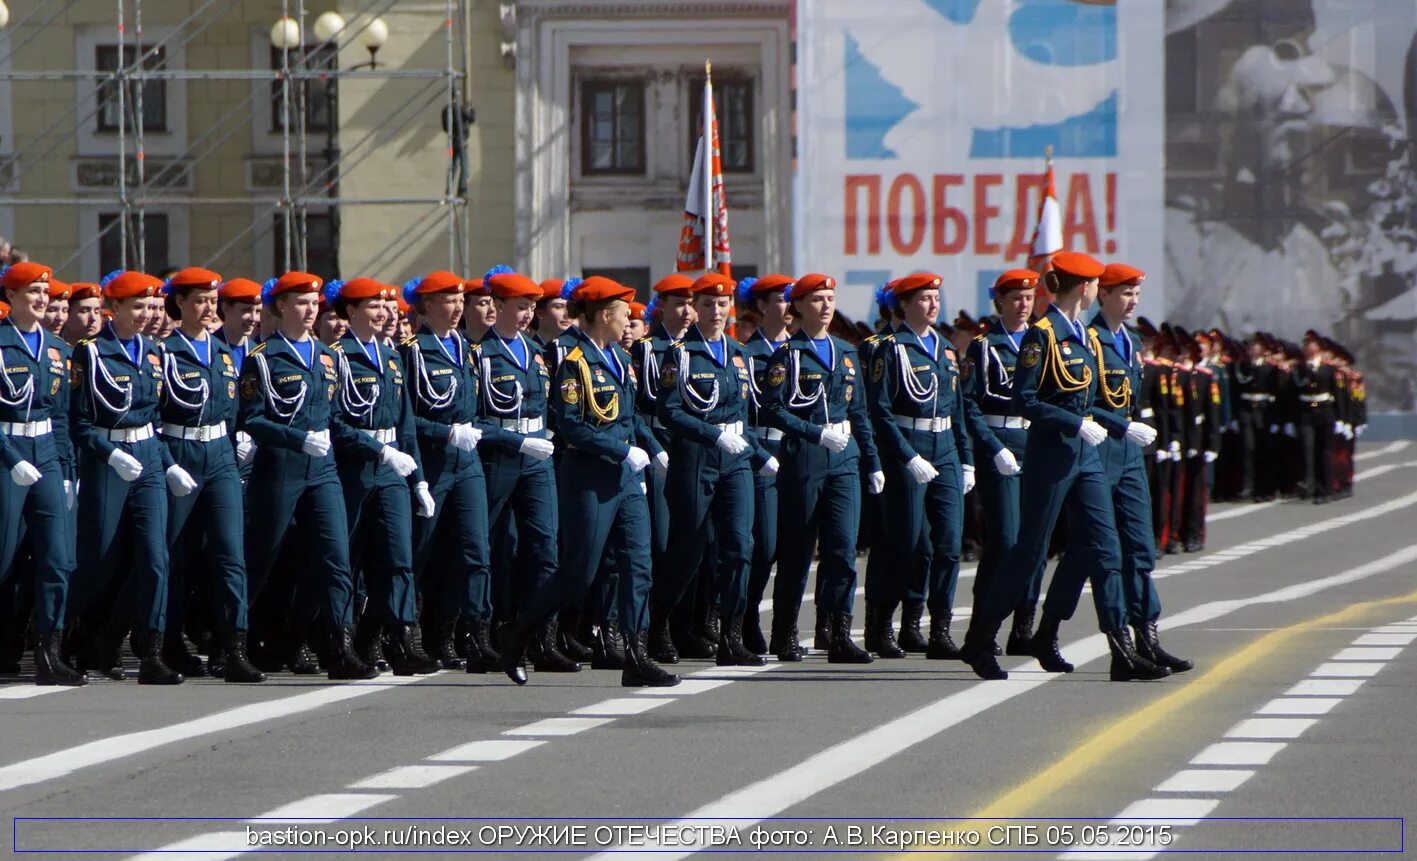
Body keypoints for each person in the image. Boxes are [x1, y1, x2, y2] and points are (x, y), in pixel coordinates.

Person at [961, 251, 1168, 683]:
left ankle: (1120, 651)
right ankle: (981, 638)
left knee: (1106, 549)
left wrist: (1119, 425)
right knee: (1029, 553)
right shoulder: (1044, 334)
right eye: (1095, 284)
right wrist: (1074, 422)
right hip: (1051, 455)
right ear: (1086, 287)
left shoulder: (1083, 336)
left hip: (1086, 454)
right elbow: (1026, 400)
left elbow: (1091, 401)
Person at [498, 275, 678, 688]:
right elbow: (572, 427)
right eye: (622, 313)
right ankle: (520, 633)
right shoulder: (575, 362)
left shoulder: (620, 359)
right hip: (590, 475)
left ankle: (636, 654)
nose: (628, 320)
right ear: (602, 316)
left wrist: (651, 448)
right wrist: (620, 451)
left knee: (639, 565)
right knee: (579, 571)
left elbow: (629, 417)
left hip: (626, 477)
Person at [1044, 263, 1192, 675]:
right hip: (1096, 451)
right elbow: (1079, 400)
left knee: (1139, 547)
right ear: (1103, 294)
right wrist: (1121, 425)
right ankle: (1112, 645)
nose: (1133, 301)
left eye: (1136, 294)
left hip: (1127, 456)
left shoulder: (1131, 340)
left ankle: (1148, 636)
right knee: (1097, 553)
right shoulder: (1086, 339)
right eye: (1125, 293)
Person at [238, 271, 376, 681]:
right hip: (281, 468)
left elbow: (333, 416)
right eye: (301, 302)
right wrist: (297, 439)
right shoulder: (262, 357)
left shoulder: (328, 356)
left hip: (323, 469)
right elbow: (252, 419)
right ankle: (237, 641)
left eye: (314, 302)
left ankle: (340, 647)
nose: (310, 309)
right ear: (281, 307)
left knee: (337, 557)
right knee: (262, 557)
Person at [67, 270, 183, 684]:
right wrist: (110, 454)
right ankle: (79, 638)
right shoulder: (90, 354)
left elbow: (155, 417)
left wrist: (168, 463)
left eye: (148, 306)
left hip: (148, 457)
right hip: (108, 457)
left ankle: (151, 652)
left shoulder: (155, 353)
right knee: (100, 557)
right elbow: (78, 422)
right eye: (135, 306)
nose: (144, 314)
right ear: (112, 309)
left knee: (155, 557)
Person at [759, 273, 882, 664]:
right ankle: (785, 632)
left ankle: (839, 631)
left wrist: (872, 462)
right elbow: (773, 409)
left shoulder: (847, 352)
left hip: (844, 457)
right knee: (797, 549)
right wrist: (814, 433)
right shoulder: (788, 355)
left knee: (843, 548)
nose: (826, 306)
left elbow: (859, 412)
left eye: (830, 298)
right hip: (806, 456)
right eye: (816, 299)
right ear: (798, 307)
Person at [653, 272, 772, 666]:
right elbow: (668, 412)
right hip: (696, 459)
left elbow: (743, 415)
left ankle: (731, 635)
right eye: (707, 304)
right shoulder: (680, 355)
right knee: (688, 549)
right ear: (694, 308)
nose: (716, 311)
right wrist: (712, 435)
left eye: (722, 304)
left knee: (741, 546)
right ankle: (660, 625)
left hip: (736, 460)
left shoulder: (738, 354)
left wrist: (758, 453)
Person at [156, 267, 265, 683]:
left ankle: (231, 647)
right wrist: (168, 463)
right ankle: (166, 641)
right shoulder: (164, 352)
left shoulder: (221, 353)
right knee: (173, 553)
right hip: (180, 449)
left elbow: (233, 405)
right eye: (199, 300)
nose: (207, 308)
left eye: (211, 300)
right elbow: (153, 413)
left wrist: (241, 438)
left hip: (220, 452)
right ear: (180, 303)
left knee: (229, 552)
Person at [326, 277, 438, 676]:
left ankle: (400, 639)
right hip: (353, 467)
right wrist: (380, 450)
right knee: (347, 560)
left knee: (399, 557)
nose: (382, 312)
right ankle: (340, 642)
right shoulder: (335, 356)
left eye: (384, 306)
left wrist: (419, 480)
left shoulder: (390, 357)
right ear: (351, 311)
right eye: (372, 306)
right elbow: (334, 422)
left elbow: (406, 424)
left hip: (392, 469)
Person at [867, 272, 974, 659]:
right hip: (908, 446)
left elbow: (957, 409)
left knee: (946, 544)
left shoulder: (945, 348)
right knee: (908, 542)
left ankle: (935, 626)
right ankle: (882, 624)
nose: (933, 304)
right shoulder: (891, 349)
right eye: (925, 299)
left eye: (935, 297)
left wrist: (966, 459)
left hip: (944, 445)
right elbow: (878, 410)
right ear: (905, 305)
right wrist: (907, 457)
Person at [399, 271, 498, 672]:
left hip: (467, 462)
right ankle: (409, 633)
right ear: (425, 306)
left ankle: (473, 634)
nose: (457, 308)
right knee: (421, 552)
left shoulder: (466, 349)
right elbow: (405, 419)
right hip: (433, 461)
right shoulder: (413, 351)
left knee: (476, 550)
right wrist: (444, 432)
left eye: (460, 300)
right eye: (448, 300)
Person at [474, 266, 570, 671]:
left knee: (545, 547)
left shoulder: (535, 352)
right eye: (520, 307)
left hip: (537, 459)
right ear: (497, 307)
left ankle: (536, 635)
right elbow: (473, 419)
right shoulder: (479, 354)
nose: (528, 315)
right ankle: (488, 633)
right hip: (499, 455)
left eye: (531, 307)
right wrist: (516, 442)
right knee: (494, 548)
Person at [0, 262, 83, 685]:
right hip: (6, 452)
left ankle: (50, 654)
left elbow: (64, 414)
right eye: (32, 291)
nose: (41, 298)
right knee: (3, 555)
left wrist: (67, 471)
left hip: (47, 452)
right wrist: (10, 457)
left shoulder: (58, 350)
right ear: (11, 296)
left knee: (56, 557)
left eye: (44, 291)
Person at [962, 270, 1038, 656]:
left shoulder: (1042, 340)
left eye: (1029, 297)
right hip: (1000, 443)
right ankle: (984, 626)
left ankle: (1024, 627)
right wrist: (993, 447)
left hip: (1035, 441)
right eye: (1016, 298)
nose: (1024, 304)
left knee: (1034, 542)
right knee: (1005, 541)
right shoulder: (985, 345)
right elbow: (970, 404)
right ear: (1000, 302)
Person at [735, 274, 794, 654]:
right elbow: (742, 413)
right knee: (764, 546)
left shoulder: (803, 349)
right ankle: (748, 615)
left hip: (801, 456)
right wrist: (760, 454)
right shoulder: (745, 354)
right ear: (761, 307)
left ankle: (785, 628)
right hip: (763, 457)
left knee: (795, 546)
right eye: (781, 299)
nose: (789, 306)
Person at [1292, 329, 1340, 504]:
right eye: (1305, 345)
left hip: (1325, 412)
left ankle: (1325, 489)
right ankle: (1309, 485)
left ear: (1319, 348)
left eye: (1311, 344)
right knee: (1307, 450)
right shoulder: (1299, 369)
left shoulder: (1329, 369)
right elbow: (1292, 394)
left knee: (1324, 453)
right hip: (1306, 413)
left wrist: (1341, 418)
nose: (1308, 347)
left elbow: (1337, 394)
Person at [462, 278, 495, 343]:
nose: (492, 309)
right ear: (464, 309)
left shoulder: (505, 344)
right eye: (483, 303)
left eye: (494, 304)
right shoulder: (457, 346)